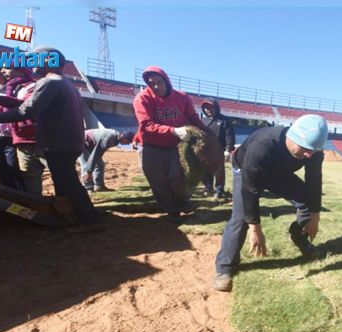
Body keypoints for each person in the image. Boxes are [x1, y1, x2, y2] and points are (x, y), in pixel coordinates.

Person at [0, 47, 101, 229]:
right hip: (68, 142)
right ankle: (71, 217)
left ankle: (89, 219)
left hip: (59, 142)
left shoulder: (49, 83)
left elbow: (26, 110)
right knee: (64, 181)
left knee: (68, 182)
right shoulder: (66, 83)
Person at [212, 114, 328, 292]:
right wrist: (255, 229)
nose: (309, 154)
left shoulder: (313, 152)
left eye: (313, 150)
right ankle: (225, 268)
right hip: (245, 169)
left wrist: (315, 216)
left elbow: (314, 182)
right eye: (305, 148)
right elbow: (250, 190)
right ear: (292, 137)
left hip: (278, 173)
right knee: (241, 217)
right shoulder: (263, 145)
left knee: (307, 201)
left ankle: (299, 236)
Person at [132, 66, 208, 223]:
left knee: (177, 176)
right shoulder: (142, 99)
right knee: (158, 180)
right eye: (151, 83)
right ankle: (171, 209)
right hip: (152, 146)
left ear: (166, 81)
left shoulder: (182, 97)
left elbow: (193, 117)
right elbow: (146, 125)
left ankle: (183, 202)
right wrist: (173, 130)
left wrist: (206, 133)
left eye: (159, 82)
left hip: (175, 146)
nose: (156, 86)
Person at [200, 99, 236, 200]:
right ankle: (208, 187)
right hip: (206, 151)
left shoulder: (225, 120)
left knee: (219, 171)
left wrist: (228, 149)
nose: (208, 110)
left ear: (216, 107)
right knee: (206, 171)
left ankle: (219, 191)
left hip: (219, 150)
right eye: (206, 108)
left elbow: (230, 136)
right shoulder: (203, 121)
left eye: (210, 107)